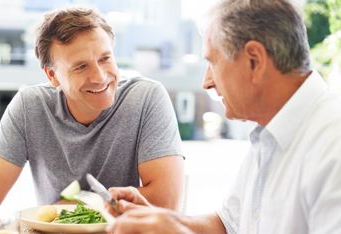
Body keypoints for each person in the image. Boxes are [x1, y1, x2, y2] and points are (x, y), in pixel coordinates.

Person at [106, 0, 341, 233]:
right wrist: (160, 220)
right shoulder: (269, 135)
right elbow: (226, 226)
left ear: (254, 60)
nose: (206, 82)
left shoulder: (332, 144)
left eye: (212, 62)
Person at [0, 6, 185, 234]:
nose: (100, 77)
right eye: (80, 67)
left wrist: (65, 208)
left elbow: (166, 200)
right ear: (52, 76)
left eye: (105, 58)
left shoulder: (146, 98)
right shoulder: (30, 105)